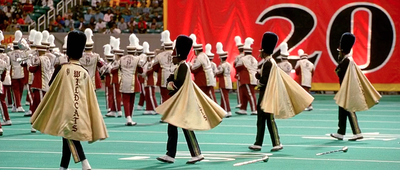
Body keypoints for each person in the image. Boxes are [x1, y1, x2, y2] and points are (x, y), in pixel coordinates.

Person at [30, 30, 108, 170]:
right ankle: (63, 166)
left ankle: (85, 163)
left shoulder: (62, 69)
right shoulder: (84, 72)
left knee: (67, 134)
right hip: (80, 109)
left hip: (65, 108)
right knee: (66, 136)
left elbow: (51, 85)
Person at [156, 35, 225, 164]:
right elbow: (172, 78)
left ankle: (194, 153)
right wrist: (170, 80)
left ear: (179, 55)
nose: (172, 56)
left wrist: (171, 84)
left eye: (174, 54)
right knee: (173, 127)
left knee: (185, 128)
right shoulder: (181, 66)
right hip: (179, 102)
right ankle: (171, 154)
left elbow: (178, 83)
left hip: (181, 102)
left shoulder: (183, 67)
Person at [249, 32, 314, 152]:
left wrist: (258, 78)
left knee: (268, 118)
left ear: (264, 51)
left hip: (266, 94)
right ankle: (259, 142)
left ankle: (276, 142)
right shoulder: (269, 62)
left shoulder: (268, 63)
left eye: (260, 50)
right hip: (266, 93)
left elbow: (265, 80)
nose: (259, 52)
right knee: (262, 119)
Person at [330, 32, 381, 141]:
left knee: (349, 108)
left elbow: (339, 72)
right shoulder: (346, 60)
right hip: (345, 88)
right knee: (342, 109)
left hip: (348, 89)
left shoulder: (347, 61)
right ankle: (340, 132)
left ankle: (357, 132)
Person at [110, 37, 143, 125]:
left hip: (124, 81)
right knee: (131, 100)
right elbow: (141, 71)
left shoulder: (121, 59)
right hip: (133, 82)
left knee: (125, 100)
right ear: (135, 51)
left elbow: (113, 70)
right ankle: (130, 117)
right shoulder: (137, 59)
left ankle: (128, 118)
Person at [26, 31, 52, 134]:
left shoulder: (39, 59)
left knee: (38, 105)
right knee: (39, 105)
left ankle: (38, 124)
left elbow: (32, 69)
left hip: (40, 84)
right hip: (45, 84)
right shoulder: (47, 59)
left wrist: (28, 63)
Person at [235, 37, 257, 115]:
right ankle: (243, 108)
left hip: (246, 79)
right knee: (245, 94)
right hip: (253, 78)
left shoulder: (242, 59)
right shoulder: (254, 59)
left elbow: (237, 66)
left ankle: (254, 109)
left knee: (250, 94)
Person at [190, 34, 216, 100]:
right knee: (209, 96)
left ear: (196, 50)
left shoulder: (199, 57)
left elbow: (194, 69)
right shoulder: (204, 55)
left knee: (203, 97)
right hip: (208, 79)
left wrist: (189, 65)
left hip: (203, 80)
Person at [7, 30, 25, 113]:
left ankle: (16, 104)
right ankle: (18, 105)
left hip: (17, 72)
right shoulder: (22, 53)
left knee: (18, 90)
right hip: (18, 72)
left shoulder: (11, 53)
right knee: (17, 90)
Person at [215, 42, 232, 117]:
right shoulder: (228, 64)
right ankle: (223, 110)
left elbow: (219, 72)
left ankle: (227, 111)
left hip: (223, 82)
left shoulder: (222, 65)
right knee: (224, 97)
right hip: (228, 81)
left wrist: (215, 73)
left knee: (225, 98)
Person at [0, 31, 11, 126]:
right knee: (3, 101)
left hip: (2, 80)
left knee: (2, 101)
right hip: (3, 80)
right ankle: (6, 118)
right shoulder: (6, 58)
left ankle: (6, 118)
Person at [233, 36, 244, 108]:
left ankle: (240, 102)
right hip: (246, 74)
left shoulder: (238, 57)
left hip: (240, 74)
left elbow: (235, 65)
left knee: (239, 89)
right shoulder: (247, 56)